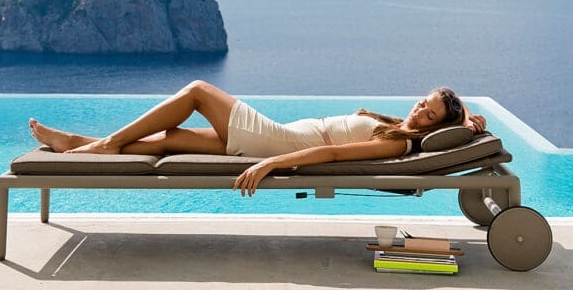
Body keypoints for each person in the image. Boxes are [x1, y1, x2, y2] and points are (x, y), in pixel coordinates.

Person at [29, 80, 486, 197]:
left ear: (433, 125)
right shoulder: (401, 126)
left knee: (196, 92)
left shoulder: (398, 144)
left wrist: (271, 164)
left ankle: (105, 143)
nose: (418, 110)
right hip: (277, 141)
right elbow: (463, 119)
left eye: (428, 113)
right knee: (172, 137)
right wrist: (467, 121)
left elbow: (330, 153)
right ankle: (79, 141)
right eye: (421, 102)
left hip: (278, 143)